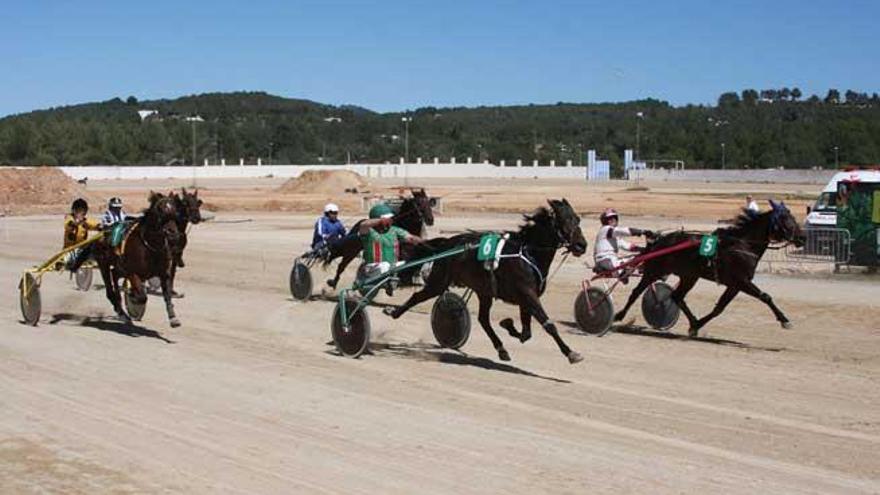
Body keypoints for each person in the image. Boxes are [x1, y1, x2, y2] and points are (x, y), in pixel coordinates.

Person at [359, 202, 423, 295]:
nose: (390, 221)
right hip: (372, 269)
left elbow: (411, 238)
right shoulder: (369, 232)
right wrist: (380, 221)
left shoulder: (394, 230)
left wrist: (426, 242)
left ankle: (393, 282)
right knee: (384, 265)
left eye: (391, 218)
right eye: (388, 219)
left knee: (411, 262)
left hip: (393, 268)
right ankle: (389, 283)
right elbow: (363, 224)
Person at [593, 208, 654, 282]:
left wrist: (643, 250)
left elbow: (628, 246)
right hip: (605, 261)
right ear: (604, 221)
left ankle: (625, 273)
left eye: (614, 218)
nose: (613, 220)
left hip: (611, 260)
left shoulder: (613, 236)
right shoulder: (606, 230)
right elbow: (623, 231)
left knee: (638, 258)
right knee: (631, 263)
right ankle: (622, 274)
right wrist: (642, 232)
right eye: (609, 219)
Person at [62, 198, 101, 272]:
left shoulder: (85, 221)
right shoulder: (69, 218)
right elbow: (68, 225)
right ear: (74, 211)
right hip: (69, 249)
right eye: (79, 211)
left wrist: (100, 226)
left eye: (83, 212)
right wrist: (75, 223)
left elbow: (94, 225)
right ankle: (63, 263)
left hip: (82, 250)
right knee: (66, 260)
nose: (81, 214)